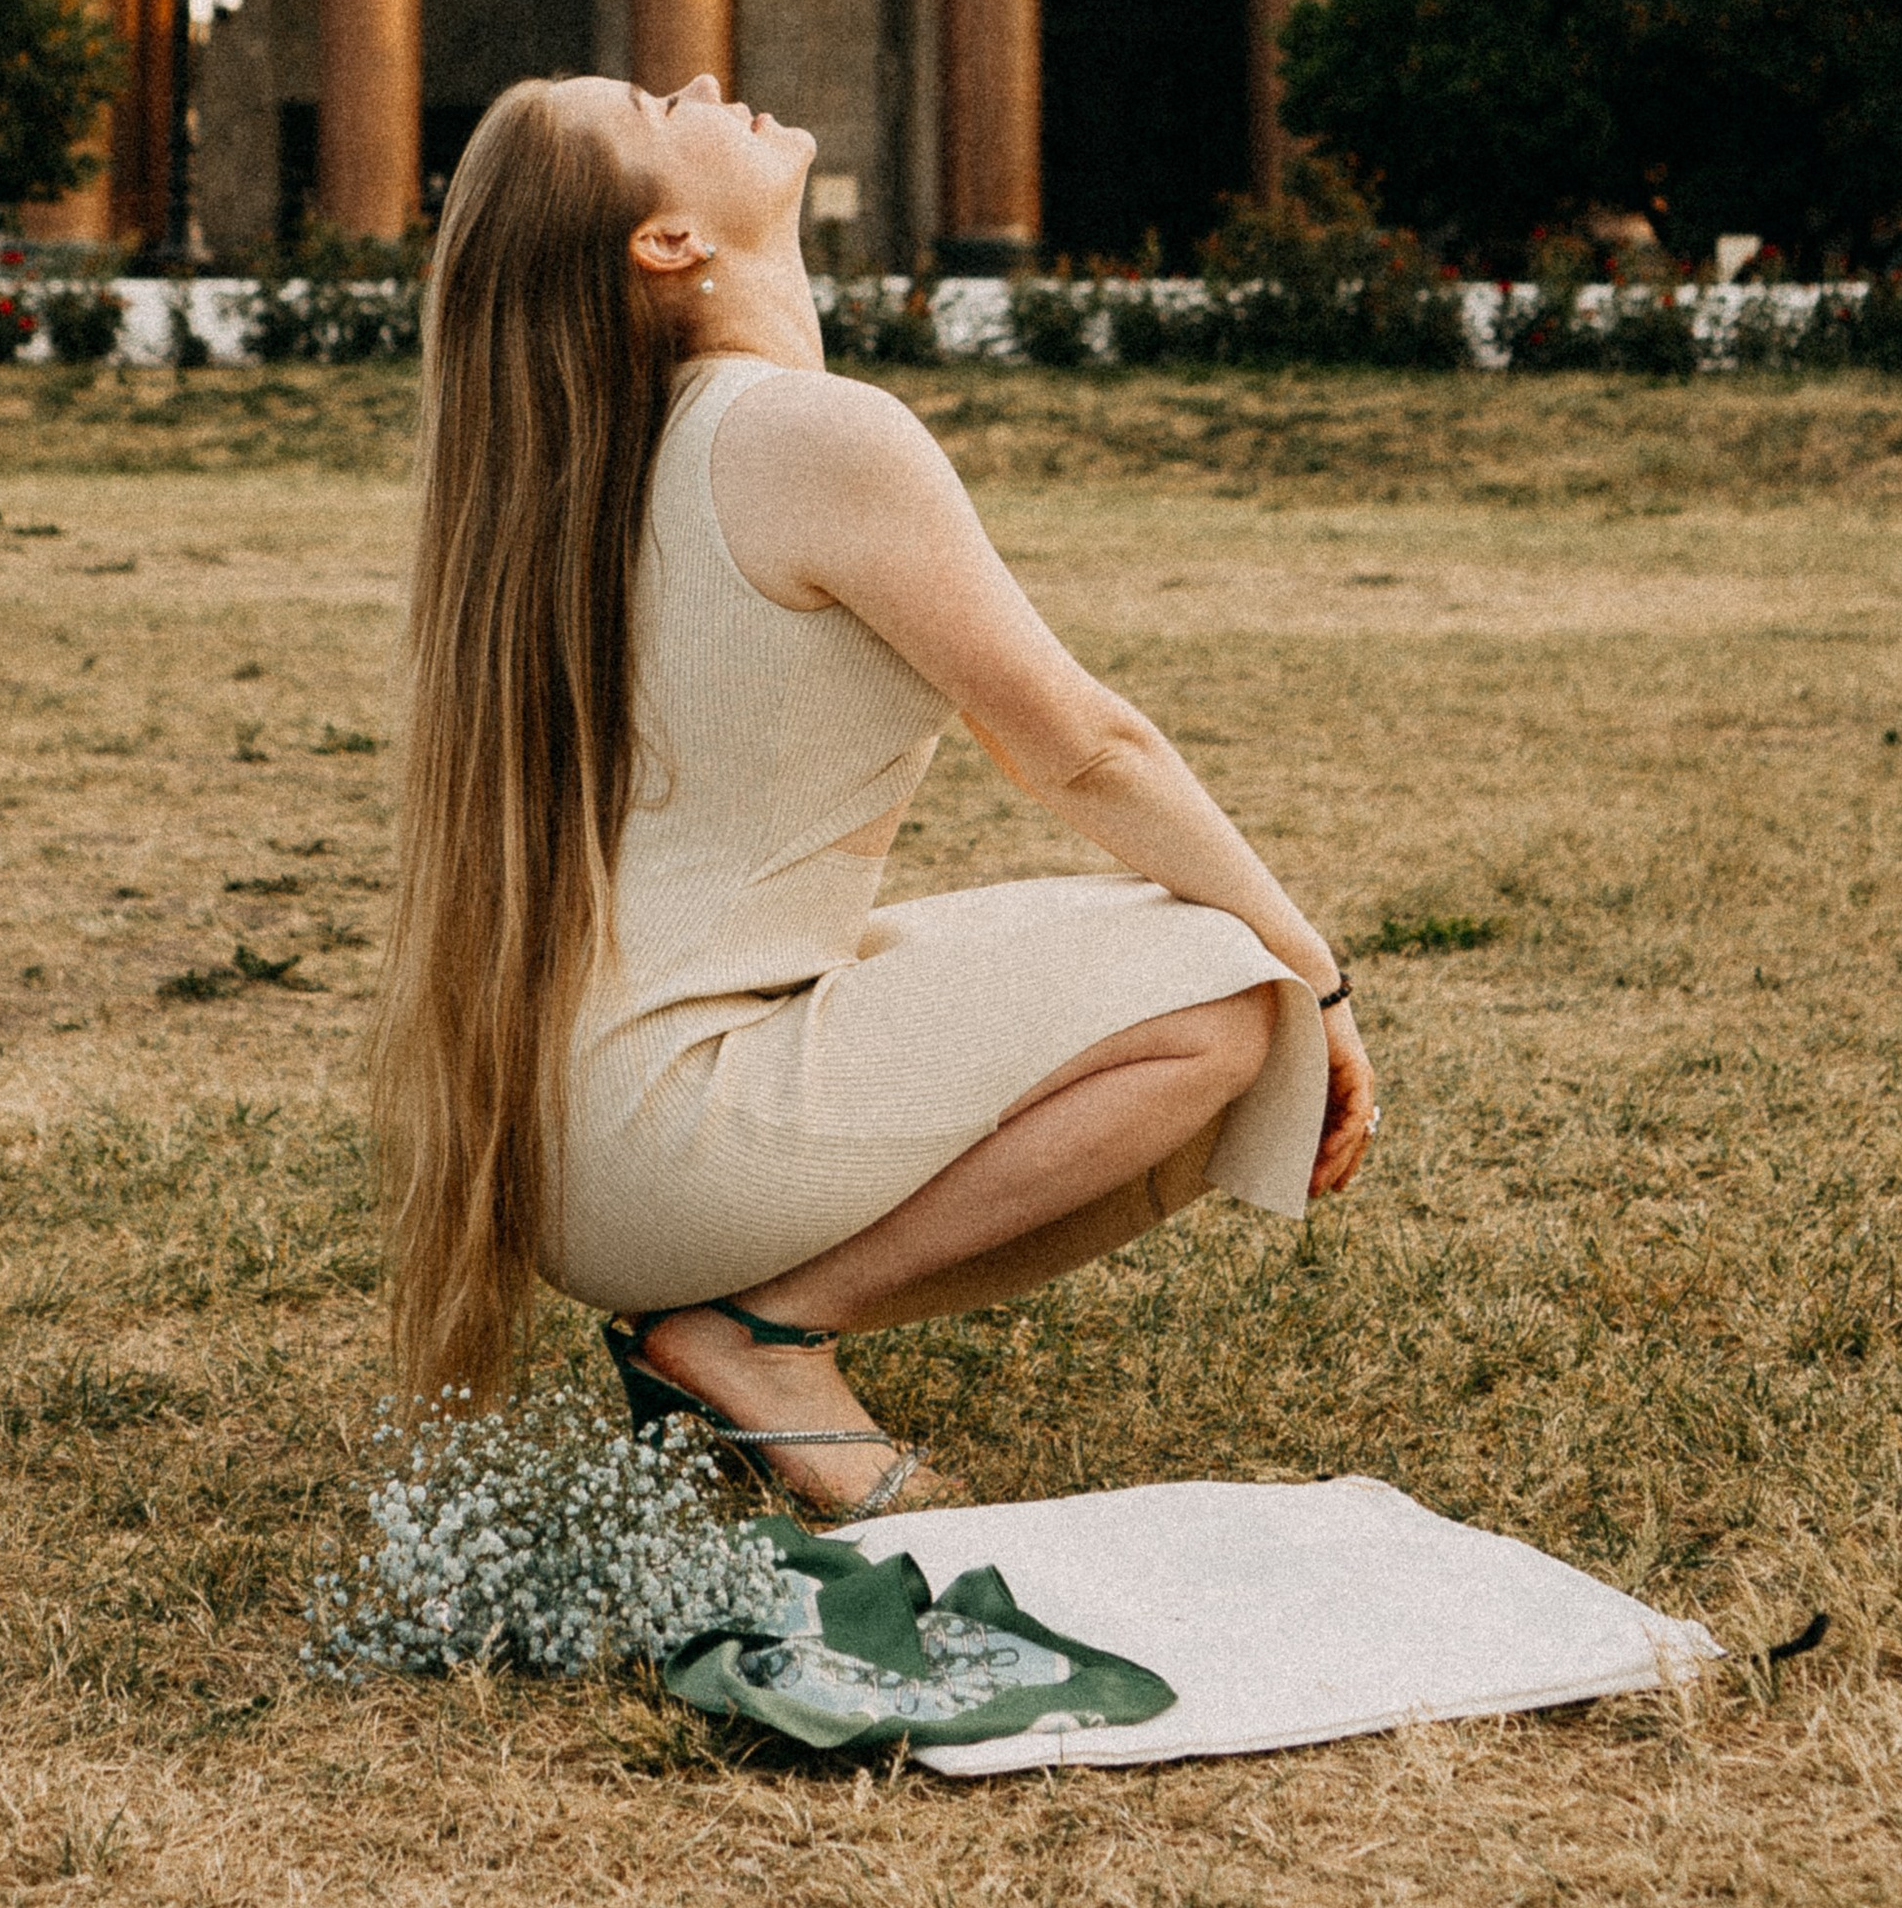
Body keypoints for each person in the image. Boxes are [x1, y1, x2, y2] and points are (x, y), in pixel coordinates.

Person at [371, 73, 1378, 1526]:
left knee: (1145, 938)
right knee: (1236, 998)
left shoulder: (610, 454)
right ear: (664, 243)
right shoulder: (806, 436)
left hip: (564, 1148)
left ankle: (734, 1315)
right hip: (673, 1137)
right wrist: (1320, 973)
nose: (709, 83)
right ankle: (756, 1338)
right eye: (665, 106)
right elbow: (1086, 748)